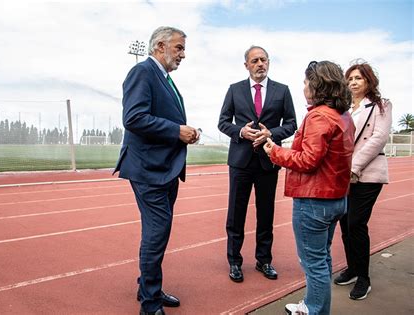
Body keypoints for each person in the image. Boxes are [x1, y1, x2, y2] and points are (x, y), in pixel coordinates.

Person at [114, 26, 199, 315]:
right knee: (156, 233)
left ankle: (147, 287)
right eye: (179, 48)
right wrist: (177, 131)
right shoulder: (143, 72)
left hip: (165, 169)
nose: (183, 55)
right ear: (159, 46)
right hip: (148, 170)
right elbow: (134, 118)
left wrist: (185, 132)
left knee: (157, 233)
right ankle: (149, 304)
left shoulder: (164, 78)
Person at [263, 60, 355, 315]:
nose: (303, 86)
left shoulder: (318, 116)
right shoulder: (343, 116)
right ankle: (314, 306)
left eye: (306, 82)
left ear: (317, 85)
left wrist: (275, 151)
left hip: (315, 201)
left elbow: (308, 160)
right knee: (322, 259)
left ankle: (314, 310)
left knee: (313, 262)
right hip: (337, 198)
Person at [218, 45, 297, 282]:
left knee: (266, 214)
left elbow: (292, 123)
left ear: (269, 62)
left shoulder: (282, 91)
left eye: (264, 60)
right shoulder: (234, 90)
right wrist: (240, 132)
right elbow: (222, 122)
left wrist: (270, 133)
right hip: (240, 162)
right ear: (246, 65)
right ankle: (234, 261)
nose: (260, 64)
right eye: (255, 60)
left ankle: (264, 261)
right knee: (236, 214)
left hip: (268, 161)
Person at [334, 61, 392, 300]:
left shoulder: (381, 105)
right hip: (343, 176)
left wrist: (353, 168)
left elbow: (378, 138)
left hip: (367, 174)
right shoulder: (344, 108)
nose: (353, 83)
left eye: (358, 78)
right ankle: (353, 268)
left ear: (368, 80)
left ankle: (364, 278)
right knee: (345, 224)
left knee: (357, 223)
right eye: (349, 79)